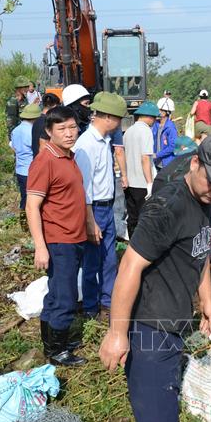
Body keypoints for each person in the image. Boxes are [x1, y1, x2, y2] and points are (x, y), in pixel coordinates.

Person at [98, 134, 211, 422]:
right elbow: (129, 266)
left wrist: (208, 300)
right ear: (194, 164)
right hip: (150, 326)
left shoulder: (208, 201)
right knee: (157, 414)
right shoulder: (169, 207)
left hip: (174, 319)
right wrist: (116, 334)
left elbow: (200, 249)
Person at [26, 105, 87, 367]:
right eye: (62, 129)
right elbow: (32, 206)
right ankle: (59, 351)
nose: (69, 133)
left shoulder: (67, 156)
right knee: (66, 296)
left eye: (72, 127)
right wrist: (40, 246)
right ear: (49, 131)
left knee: (56, 293)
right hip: (59, 240)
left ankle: (52, 345)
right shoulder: (45, 161)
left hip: (74, 237)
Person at [73, 92, 127, 322]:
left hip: (106, 206)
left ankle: (107, 303)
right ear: (107, 118)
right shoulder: (86, 144)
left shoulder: (104, 141)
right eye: (119, 119)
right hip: (93, 209)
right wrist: (90, 221)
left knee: (109, 259)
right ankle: (90, 307)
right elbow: (83, 188)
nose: (120, 124)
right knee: (92, 262)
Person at [123, 101, 158, 238]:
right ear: (149, 117)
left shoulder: (128, 131)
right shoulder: (146, 131)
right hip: (141, 182)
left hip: (129, 181)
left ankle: (132, 242)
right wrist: (150, 183)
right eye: (154, 118)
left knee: (132, 217)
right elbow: (145, 158)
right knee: (145, 218)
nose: (154, 121)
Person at [11, 104, 41, 216]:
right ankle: (31, 224)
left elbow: (13, 147)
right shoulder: (32, 131)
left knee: (24, 198)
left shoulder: (16, 130)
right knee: (34, 202)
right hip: (31, 171)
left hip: (20, 170)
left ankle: (23, 222)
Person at [32, 93, 60, 158]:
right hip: (44, 160)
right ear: (55, 105)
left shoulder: (36, 120)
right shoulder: (48, 122)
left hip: (36, 159)